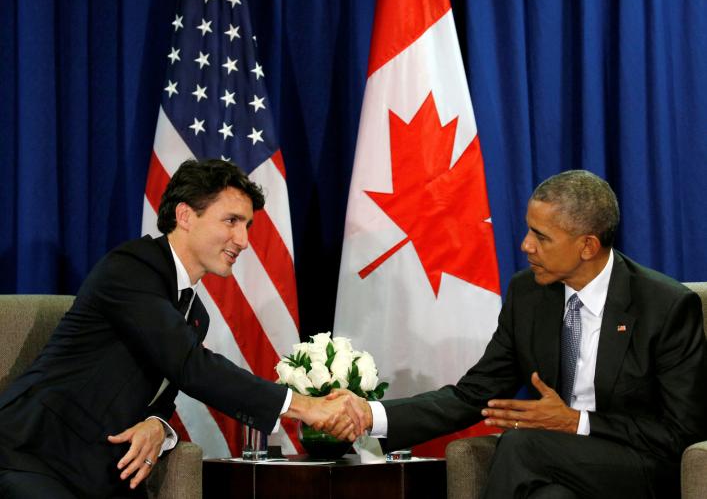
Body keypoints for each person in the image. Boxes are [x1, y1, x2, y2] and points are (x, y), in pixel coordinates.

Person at [327, 170, 707, 498]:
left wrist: (577, 422)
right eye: (529, 230)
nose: (526, 245)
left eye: (541, 237)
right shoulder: (529, 295)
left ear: (587, 246)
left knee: (520, 445)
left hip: (641, 467)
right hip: (557, 463)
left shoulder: (664, 306)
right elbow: (472, 395)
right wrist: (370, 414)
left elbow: (680, 432)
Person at [0, 159, 349, 498]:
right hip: (32, 457)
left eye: (247, 226)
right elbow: (190, 366)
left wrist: (159, 427)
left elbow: (162, 395)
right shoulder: (132, 269)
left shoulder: (195, 313)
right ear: (185, 216)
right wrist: (304, 406)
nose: (243, 240)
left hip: (100, 473)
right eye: (231, 221)